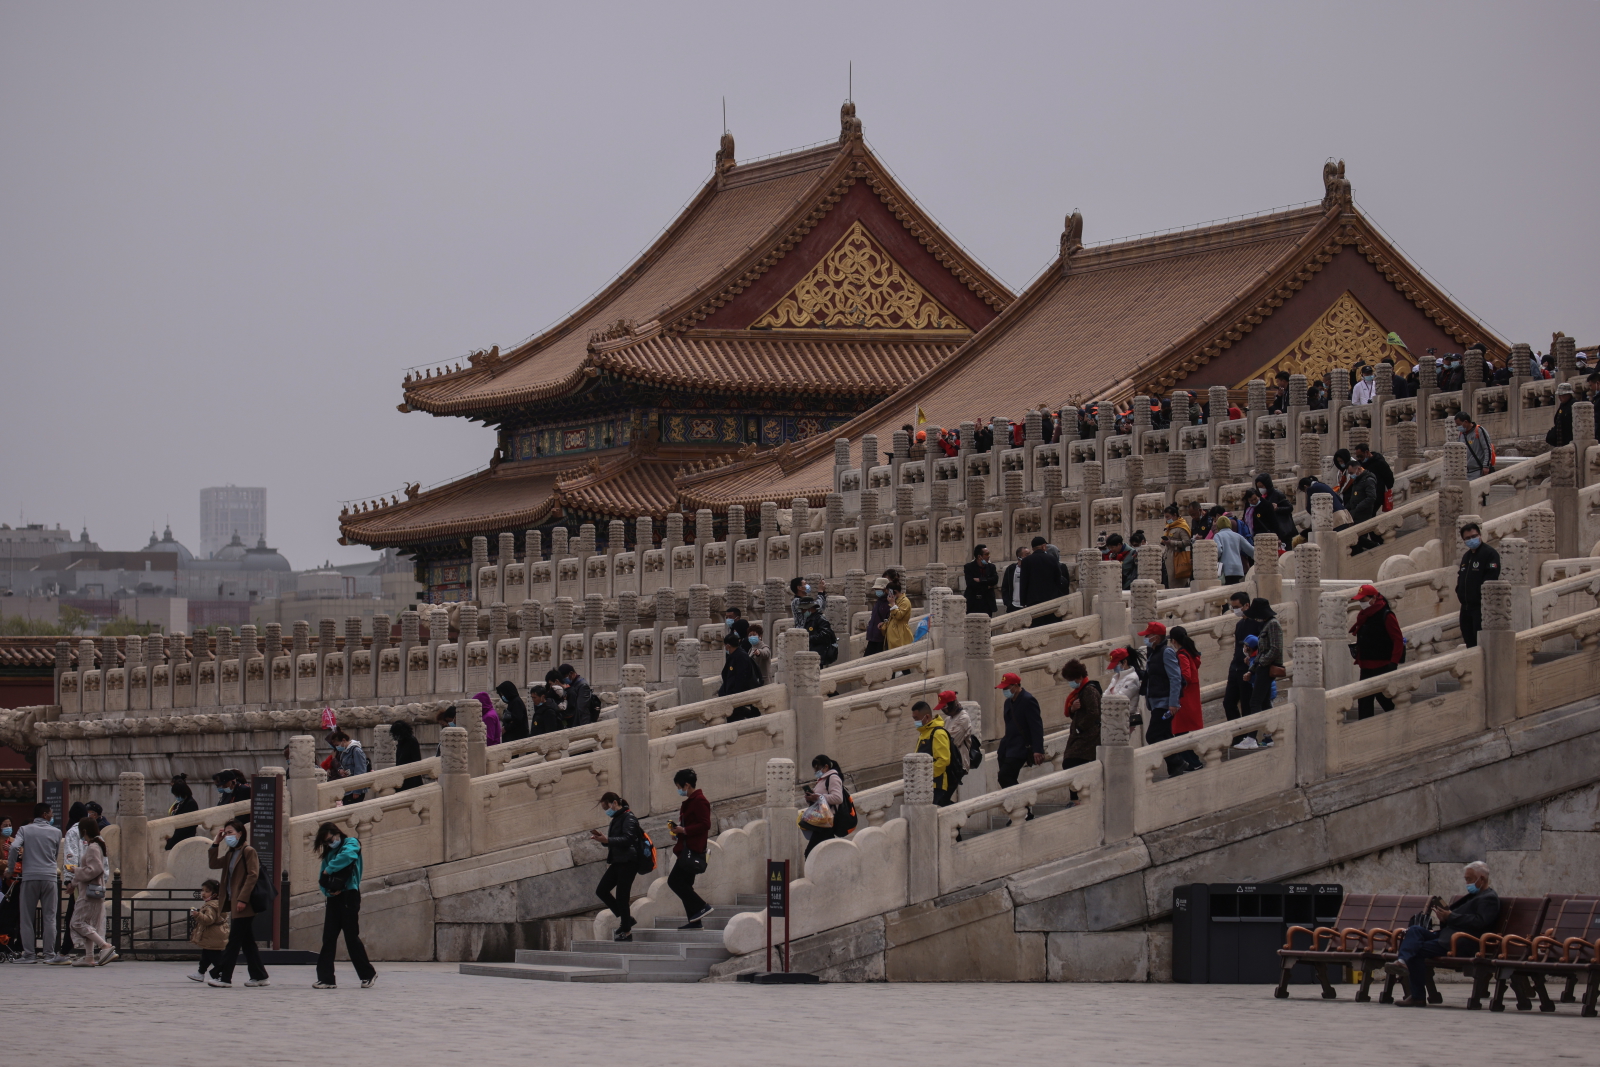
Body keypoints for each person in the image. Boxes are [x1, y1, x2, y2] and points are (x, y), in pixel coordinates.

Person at [1384, 862, 1501, 1007]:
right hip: (1447, 935)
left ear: (1482, 879)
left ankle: (1417, 996)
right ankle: (1402, 962)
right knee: (1415, 930)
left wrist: (1450, 916)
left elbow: (1481, 922)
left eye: (1469, 879)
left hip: (1462, 941)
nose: (1467, 883)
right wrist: (1444, 916)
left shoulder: (1488, 898)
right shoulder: (1473, 896)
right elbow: (1458, 919)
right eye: (1466, 879)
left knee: (1417, 951)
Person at [311, 821, 376, 989]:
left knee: (351, 937)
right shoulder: (329, 853)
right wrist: (329, 891)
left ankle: (367, 974)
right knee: (329, 938)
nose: (330, 843)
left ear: (337, 833)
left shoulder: (351, 843)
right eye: (326, 841)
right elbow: (322, 878)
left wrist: (329, 870)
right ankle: (326, 978)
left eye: (330, 838)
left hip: (349, 895)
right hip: (334, 898)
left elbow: (348, 856)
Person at [206, 816, 269, 987]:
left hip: (244, 903)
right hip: (235, 902)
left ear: (240, 833)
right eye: (225, 833)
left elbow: (253, 875)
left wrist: (242, 899)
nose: (227, 836)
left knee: (234, 941)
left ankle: (224, 976)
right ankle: (260, 975)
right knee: (247, 942)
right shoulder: (231, 853)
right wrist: (216, 843)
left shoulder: (248, 851)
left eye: (230, 832)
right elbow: (213, 864)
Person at [7, 802, 63, 963]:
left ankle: (29, 954)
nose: (52, 815)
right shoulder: (56, 832)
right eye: (51, 813)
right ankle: (49, 954)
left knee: (27, 918)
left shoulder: (25, 830)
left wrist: (10, 869)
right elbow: (54, 854)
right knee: (50, 917)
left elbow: (14, 847)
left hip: (30, 876)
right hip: (50, 877)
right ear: (45, 814)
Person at [590, 792, 643, 941]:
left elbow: (628, 838)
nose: (606, 811)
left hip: (629, 861)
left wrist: (608, 839)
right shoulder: (617, 818)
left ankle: (626, 931)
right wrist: (603, 839)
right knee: (602, 890)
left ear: (614, 803)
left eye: (606, 807)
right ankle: (627, 919)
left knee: (622, 896)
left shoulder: (629, 817)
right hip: (618, 861)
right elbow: (615, 841)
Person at [1347, 583, 1405, 719]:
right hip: (1366, 666)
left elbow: (1398, 640)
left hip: (1382, 666)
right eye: (1360, 600)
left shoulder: (1386, 615)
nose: (1362, 603)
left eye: (1364, 600)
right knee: (1364, 702)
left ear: (1373, 598)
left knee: (1386, 700)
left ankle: (1399, 724)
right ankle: (1364, 731)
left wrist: (1393, 662)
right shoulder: (1364, 615)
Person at [666, 769, 713, 928]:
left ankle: (701, 907)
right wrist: (678, 832)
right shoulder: (691, 801)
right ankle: (695, 920)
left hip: (692, 850)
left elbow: (705, 824)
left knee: (674, 881)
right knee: (685, 884)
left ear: (686, 785)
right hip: (686, 846)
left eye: (679, 786)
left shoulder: (699, 800)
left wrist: (684, 831)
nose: (679, 790)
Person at [66, 816, 115, 967]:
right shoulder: (97, 845)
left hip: (89, 892)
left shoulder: (93, 847)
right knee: (88, 924)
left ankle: (104, 946)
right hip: (91, 890)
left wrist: (75, 870)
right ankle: (89, 957)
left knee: (77, 922)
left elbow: (95, 869)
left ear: (84, 831)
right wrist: (74, 882)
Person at [1137, 622, 1184, 771]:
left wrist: (1173, 703)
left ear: (1156, 638)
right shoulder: (1153, 652)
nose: (1145, 638)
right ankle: (1175, 767)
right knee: (1165, 735)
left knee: (1153, 735)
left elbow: (1175, 678)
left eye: (1148, 636)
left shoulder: (1166, 652)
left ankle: (1177, 762)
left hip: (1165, 704)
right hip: (1156, 702)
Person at [995, 672, 1045, 803]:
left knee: (1004, 776)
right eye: (1003, 689)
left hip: (1021, 747)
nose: (1005, 691)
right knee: (1006, 777)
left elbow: (1036, 726)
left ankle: (1023, 805)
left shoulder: (1028, 700)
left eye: (1007, 688)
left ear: (1016, 685)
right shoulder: (1008, 703)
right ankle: (1020, 809)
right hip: (1007, 746)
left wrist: (1038, 749)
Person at [1221, 591, 1262, 747]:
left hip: (1248, 668)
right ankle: (1238, 735)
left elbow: (1260, 647)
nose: (1235, 610)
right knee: (1228, 702)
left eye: (1237, 607)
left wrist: (1252, 664)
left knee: (1247, 704)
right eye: (1233, 607)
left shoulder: (1257, 623)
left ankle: (1250, 737)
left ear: (1247, 605)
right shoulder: (1239, 624)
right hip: (1235, 667)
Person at [1455, 522, 1501, 648]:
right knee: (1469, 641)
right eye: (1468, 538)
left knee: (1479, 642)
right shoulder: (1466, 556)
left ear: (1480, 535)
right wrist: (1459, 591)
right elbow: (1461, 576)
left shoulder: (1490, 554)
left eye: (1474, 536)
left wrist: (1478, 595)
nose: (1471, 540)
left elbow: (1491, 577)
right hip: (1465, 607)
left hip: (1480, 607)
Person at [1167, 626, 1205, 775]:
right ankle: (1192, 762)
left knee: (1180, 733)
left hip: (1184, 699)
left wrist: (1173, 683)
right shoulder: (1190, 653)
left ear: (1174, 640)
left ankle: (1194, 763)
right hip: (1190, 698)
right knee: (1181, 733)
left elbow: (1186, 676)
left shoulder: (1182, 655)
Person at [56, 800, 88, 963]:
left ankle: (64, 951)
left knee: (72, 916)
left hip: (78, 880)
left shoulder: (73, 832)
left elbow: (70, 856)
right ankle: (98, 949)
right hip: (92, 880)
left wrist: (68, 880)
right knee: (91, 916)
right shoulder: (93, 831)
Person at [910, 700, 958, 807]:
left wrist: (927, 776)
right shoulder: (924, 733)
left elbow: (943, 760)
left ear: (926, 717)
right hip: (925, 784)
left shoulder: (938, 733)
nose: (915, 721)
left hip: (935, 784)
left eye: (916, 718)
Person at [1242, 598, 1284, 714]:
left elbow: (1276, 648)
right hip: (1262, 667)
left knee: (1255, 702)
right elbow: (1261, 652)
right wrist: (1252, 670)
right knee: (1265, 702)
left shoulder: (1273, 624)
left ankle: (1257, 731)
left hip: (1267, 668)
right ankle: (1269, 728)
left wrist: (1262, 663)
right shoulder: (1266, 624)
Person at [801, 755, 849, 857]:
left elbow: (838, 798)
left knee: (811, 853)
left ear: (826, 767)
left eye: (818, 768)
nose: (816, 772)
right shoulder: (822, 780)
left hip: (828, 820)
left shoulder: (833, 777)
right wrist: (811, 798)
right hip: (822, 820)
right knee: (830, 852)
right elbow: (821, 799)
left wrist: (818, 797)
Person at [1060, 659, 1101, 770]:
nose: (1070, 683)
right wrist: (1072, 709)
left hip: (1088, 737)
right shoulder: (1081, 691)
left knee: (1072, 762)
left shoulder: (1089, 690)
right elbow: (1080, 713)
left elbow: (1094, 713)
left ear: (1078, 677)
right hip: (1082, 735)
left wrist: (1080, 728)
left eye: (1071, 680)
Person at [1019, 536, 1067, 624]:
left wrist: (1023, 601)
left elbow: (1023, 582)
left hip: (1033, 600)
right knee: (1049, 624)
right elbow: (1057, 578)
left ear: (1033, 548)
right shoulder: (1052, 559)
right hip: (1050, 599)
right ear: (1044, 546)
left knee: (1036, 625)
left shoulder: (1026, 561)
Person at [189, 878, 227, 982]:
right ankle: (200, 973)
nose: (203, 893)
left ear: (214, 894)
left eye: (207, 891)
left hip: (213, 935)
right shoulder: (215, 904)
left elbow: (208, 920)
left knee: (214, 957)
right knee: (206, 955)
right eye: (202, 890)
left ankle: (220, 975)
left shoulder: (211, 906)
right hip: (212, 936)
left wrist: (197, 915)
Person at [719, 631, 762, 721]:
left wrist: (734, 695)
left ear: (728, 645)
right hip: (732, 697)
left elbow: (741, 677)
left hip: (737, 697)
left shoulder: (740, 656)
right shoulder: (734, 655)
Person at [934, 690, 974, 781]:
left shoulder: (963, 718)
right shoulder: (948, 719)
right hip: (948, 762)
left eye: (944, 707)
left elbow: (952, 742)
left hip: (958, 763)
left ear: (951, 705)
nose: (943, 710)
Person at [328, 729, 370, 804]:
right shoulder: (344, 752)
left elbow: (360, 771)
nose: (337, 747)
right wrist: (340, 770)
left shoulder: (356, 751)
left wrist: (357, 790)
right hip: (347, 788)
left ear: (343, 740)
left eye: (337, 745)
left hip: (354, 789)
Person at [1252, 475, 1295, 545]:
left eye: (1262, 486)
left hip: (1281, 530)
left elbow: (1289, 508)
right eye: (1259, 487)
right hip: (1268, 530)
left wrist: (1277, 509)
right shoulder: (1260, 497)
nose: (1261, 489)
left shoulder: (1277, 494)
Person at [1351, 443, 1395, 509]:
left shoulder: (1379, 462)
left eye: (1361, 456)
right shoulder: (1359, 464)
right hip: (1363, 495)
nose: (1360, 459)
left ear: (1367, 452)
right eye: (1358, 457)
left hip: (1376, 494)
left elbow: (1389, 478)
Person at [1211, 516, 1254, 584]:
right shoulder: (1237, 536)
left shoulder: (1218, 536)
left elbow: (1218, 550)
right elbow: (1251, 550)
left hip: (1225, 569)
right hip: (1238, 569)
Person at [799, 597, 839, 666]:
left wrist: (808, 638)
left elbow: (825, 636)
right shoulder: (809, 619)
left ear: (810, 608)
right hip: (811, 652)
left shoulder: (820, 619)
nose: (802, 612)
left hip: (819, 653)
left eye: (803, 609)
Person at [1160, 505, 1192, 589]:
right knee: (1169, 581)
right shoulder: (1169, 526)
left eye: (1168, 517)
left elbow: (1187, 542)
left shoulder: (1182, 526)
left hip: (1177, 556)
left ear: (1174, 515)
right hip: (1168, 556)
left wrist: (1172, 542)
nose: (1167, 519)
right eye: (1165, 517)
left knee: (1177, 581)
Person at [1455, 412, 1494, 477]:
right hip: (1466, 471)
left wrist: (1486, 466)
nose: (1458, 427)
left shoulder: (1479, 430)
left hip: (1479, 470)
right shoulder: (1461, 434)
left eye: (1459, 424)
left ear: (1466, 422)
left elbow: (1487, 449)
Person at [1344, 457, 1381, 526]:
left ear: (1358, 469)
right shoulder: (1357, 480)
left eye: (1351, 473)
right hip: (1355, 514)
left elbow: (1371, 497)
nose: (1351, 475)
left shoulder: (1368, 480)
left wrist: (1358, 508)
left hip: (1363, 514)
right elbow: (1354, 497)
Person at [166, 776, 200, 850]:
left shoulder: (191, 803)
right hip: (176, 834)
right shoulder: (181, 802)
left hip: (184, 836)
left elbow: (189, 824)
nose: (175, 796)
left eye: (176, 794)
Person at [963, 544, 999, 615]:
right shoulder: (969, 567)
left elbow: (995, 580)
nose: (989, 556)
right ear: (979, 556)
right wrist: (987, 586)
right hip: (973, 602)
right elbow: (970, 584)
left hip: (987, 602)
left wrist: (980, 580)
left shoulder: (991, 567)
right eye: (986, 554)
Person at [389, 721, 425, 790]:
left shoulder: (412, 741)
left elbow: (416, 759)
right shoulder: (401, 741)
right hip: (401, 775)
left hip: (411, 776)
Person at [864, 576, 893, 655]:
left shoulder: (889, 603)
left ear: (885, 590)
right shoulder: (879, 601)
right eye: (876, 590)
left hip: (881, 637)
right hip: (873, 636)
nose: (877, 591)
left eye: (878, 589)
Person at [884, 578, 914, 649]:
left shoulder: (905, 601)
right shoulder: (896, 600)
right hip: (893, 633)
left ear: (895, 592)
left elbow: (899, 616)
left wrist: (892, 604)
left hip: (900, 633)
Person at [1000, 547, 1029, 613]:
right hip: (1013, 606)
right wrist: (1008, 603)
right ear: (1019, 557)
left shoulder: (1031, 569)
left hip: (1027, 606)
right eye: (1027, 554)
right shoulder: (1011, 569)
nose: (1029, 557)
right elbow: (1005, 587)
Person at [1547, 382, 1575, 447]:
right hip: (1561, 440)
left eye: (1562, 395)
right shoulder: (1562, 406)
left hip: (1569, 439)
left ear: (1568, 394)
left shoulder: (1573, 404)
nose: (1560, 397)